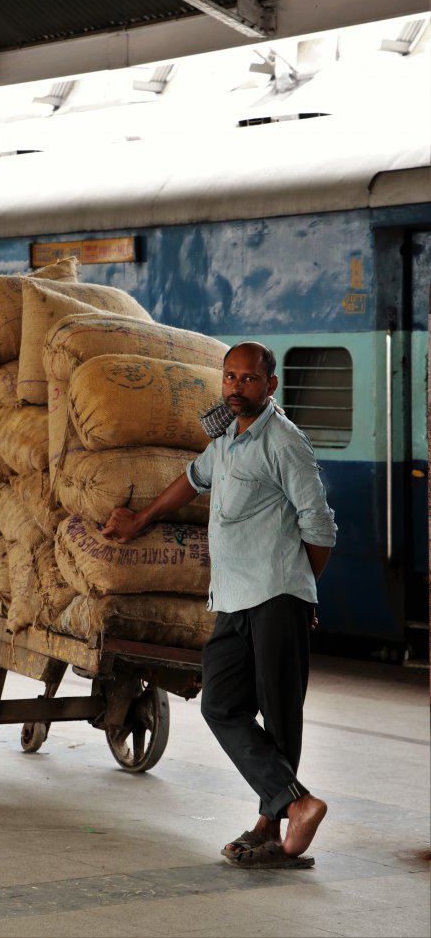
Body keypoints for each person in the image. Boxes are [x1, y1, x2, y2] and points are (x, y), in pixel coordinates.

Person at [102, 341, 337, 869]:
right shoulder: (227, 438)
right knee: (220, 703)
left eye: (248, 378)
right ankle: (296, 804)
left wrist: (301, 590)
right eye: (229, 377)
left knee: (279, 716)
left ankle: (270, 825)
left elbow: (319, 528)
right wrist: (141, 522)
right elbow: (191, 480)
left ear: (270, 386)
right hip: (233, 599)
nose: (235, 386)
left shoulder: (284, 442)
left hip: (277, 596)